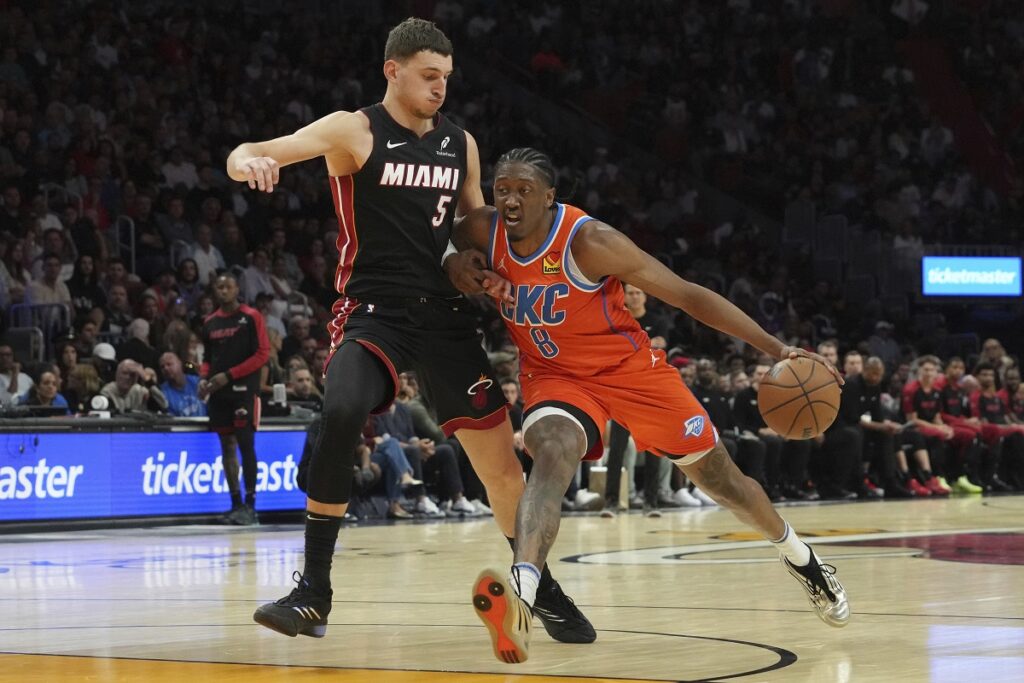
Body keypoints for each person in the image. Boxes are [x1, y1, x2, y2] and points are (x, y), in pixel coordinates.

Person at [228, 19, 592, 642]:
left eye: (446, 78)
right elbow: (257, 149)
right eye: (429, 76)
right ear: (392, 70)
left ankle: (541, 585)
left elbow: (468, 227)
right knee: (342, 407)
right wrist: (251, 164)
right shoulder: (355, 129)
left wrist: (481, 265)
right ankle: (314, 590)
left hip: (444, 315)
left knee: (502, 471)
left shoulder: (461, 144)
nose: (440, 88)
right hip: (376, 310)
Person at [455, 148, 849, 664]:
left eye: (523, 190)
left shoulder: (592, 242)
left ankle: (802, 558)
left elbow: (687, 295)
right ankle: (523, 595)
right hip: (555, 375)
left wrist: (775, 348)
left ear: (551, 198)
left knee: (723, 481)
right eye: (502, 188)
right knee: (550, 457)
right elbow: (439, 240)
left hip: (630, 373)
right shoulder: (483, 228)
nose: (509, 199)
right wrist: (455, 264)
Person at [199, 274, 270, 525]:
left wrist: (228, 375)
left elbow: (262, 354)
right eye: (219, 287)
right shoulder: (209, 322)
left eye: (228, 286)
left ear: (237, 289)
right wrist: (203, 378)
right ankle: (235, 503)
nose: (224, 291)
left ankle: (251, 506)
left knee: (245, 445)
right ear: (214, 291)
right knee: (226, 447)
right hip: (219, 394)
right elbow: (207, 358)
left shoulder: (251, 316)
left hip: (244, 391)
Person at [159, 351, 206, 417]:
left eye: (169, 364)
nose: (166, 368)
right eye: (162, 367)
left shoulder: (197, 382)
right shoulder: (162, 392)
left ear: (180, 363)